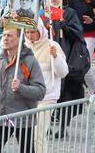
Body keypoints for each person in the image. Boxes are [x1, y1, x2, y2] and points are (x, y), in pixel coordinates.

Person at [25, 18, 68, 152]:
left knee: (39, 133)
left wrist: (55, 57)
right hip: (27, 97)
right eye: (27, 32)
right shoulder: (22, 47)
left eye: (33, 32)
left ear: (40, 31)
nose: (30, 35)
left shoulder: (52, 45)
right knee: (27, 135)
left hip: (47, 96)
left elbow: (63, 72)